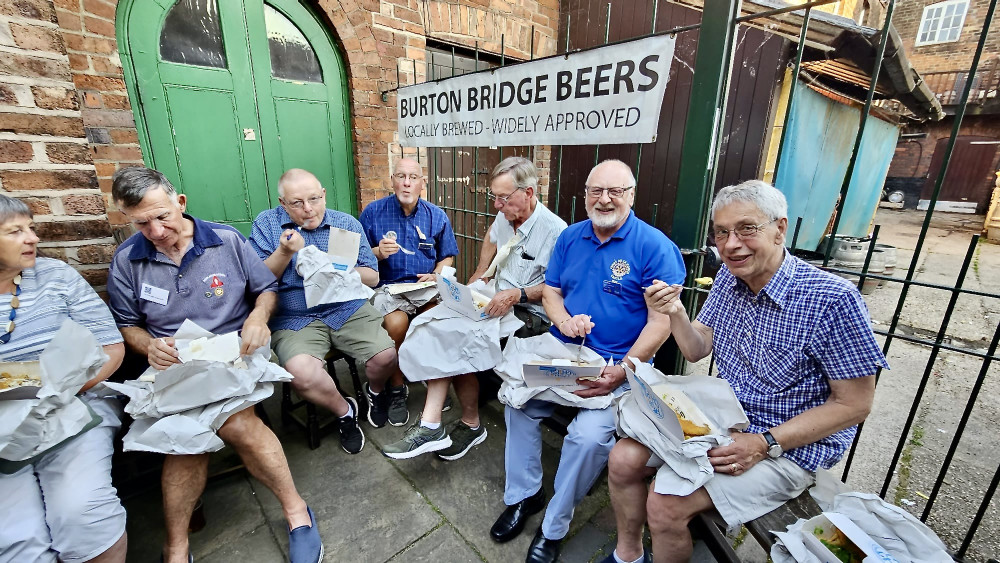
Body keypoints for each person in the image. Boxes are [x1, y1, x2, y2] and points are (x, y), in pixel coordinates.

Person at [606, 180, 887, 563]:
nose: (731, 244)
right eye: (721, 232)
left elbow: (854, 405)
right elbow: (697, 347)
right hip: (725, 420)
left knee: (666, 504)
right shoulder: (729, 276)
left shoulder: (833, 299)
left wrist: (764, 443)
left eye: (746, 229)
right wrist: (675, 313)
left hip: (788, 447)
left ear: (780, 229)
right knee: (622, 460)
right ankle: (629, 555)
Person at [107, 167, 323, 563]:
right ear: (127, 218)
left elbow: (265, 289)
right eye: (141, 223)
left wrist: (258, 319)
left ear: (181, 203)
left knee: (238, 423)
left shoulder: (224, 240)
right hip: (174, 363)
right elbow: (126, 324)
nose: (155, 231)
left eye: (162, 217)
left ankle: (296, 512)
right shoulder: (127, 260)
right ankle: (177, 547)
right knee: (183, 439)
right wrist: (148, 345)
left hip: (233, 353)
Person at [493, 159, 685, 563]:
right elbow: (552, 292)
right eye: (596, 191)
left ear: (632, 196)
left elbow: (661, 323)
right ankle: (525, 495)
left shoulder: (653, 247)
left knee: (587, 436)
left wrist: (623, 370)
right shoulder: (571, 238)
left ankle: (554, 526)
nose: (605, 199)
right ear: (584, 197)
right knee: (516, 401)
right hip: (564, 354)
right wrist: (564, 320)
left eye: (616, 191)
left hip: (616, 367)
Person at [381, 156, 566, 461]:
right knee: (438, 320)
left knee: (456, 334)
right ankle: (444, 422)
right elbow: (491, 236)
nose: (496, 205)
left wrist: (516, 293)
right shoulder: (507, 215)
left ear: (529, 193)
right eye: (494, 196)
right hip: (496, 297)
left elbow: (558, 289)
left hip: (530, 312)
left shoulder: (557, 232)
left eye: (503, 198)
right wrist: (482, 271)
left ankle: (452, 424)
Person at [0, 195, 127, 563]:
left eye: (31, 228)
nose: (33, 239)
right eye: (16, 232)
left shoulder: (55, 275)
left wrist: (58, 389)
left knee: (82, 511)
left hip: (75, 408)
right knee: (15, 538)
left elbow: (111, 348)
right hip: (4, 432)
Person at [250, 168, 397, 450]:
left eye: (315, 199)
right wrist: (284, 252)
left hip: (346, 307)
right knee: (301, 374)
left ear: (324, 194)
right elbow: (257, 280)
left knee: (385, 356)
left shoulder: (346, 224)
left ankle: (375, 392)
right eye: (297, 203)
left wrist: (333, 268)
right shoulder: (267, 226)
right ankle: (345, 411)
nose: (308, 209)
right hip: (295, 317)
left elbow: (373, 276)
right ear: (282, 203)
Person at [359, 157, 459, 426]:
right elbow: (356, 259)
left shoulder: (435, 215)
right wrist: (378, 252)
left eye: (413, 177)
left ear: (422, 183)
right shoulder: (373, 212)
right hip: (387, 288)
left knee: (437, 319)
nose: (406, 182)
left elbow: (448, 257)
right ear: (391, 180)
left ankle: (433, 380)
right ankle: (397, 387)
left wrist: (437, 273)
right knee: (397, 323)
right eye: (400, 176)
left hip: (423, 288)